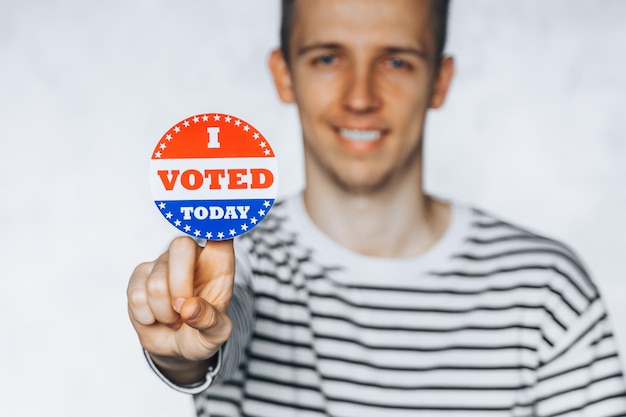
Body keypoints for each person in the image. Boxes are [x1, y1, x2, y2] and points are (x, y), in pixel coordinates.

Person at [127, 0, 626, 415]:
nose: (360, 97)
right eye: (327, 58)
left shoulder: (544, 287)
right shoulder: (238, 258)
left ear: (439, 81)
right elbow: (221, 325)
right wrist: (183, 354)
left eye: (396, 61)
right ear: (284, 75)